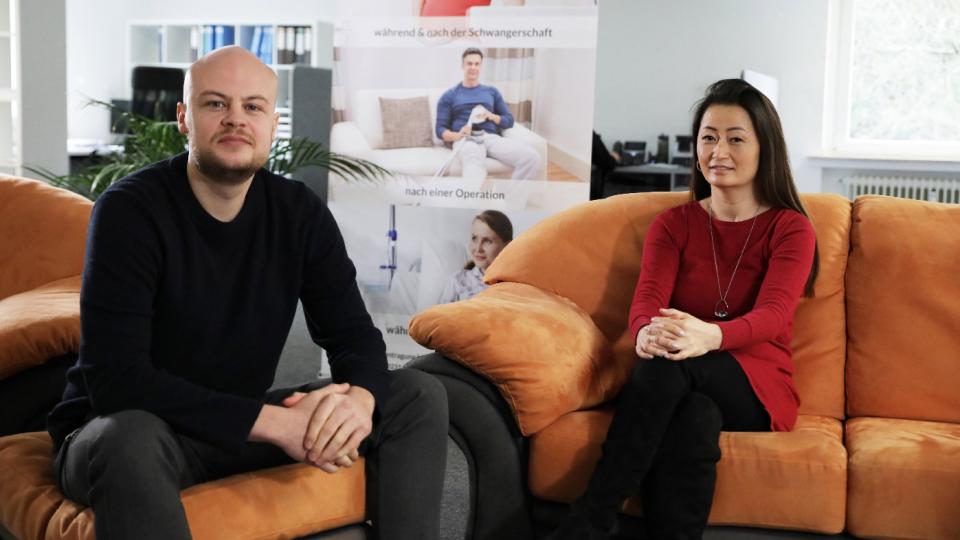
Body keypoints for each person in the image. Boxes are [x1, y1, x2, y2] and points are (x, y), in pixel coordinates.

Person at [46, 46, 448, 540]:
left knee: (415, 394)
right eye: (216, 104)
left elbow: (355, 339)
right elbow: (118, 382)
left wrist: (358, 401)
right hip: (122, 434)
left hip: (232, 425)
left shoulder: (297, 213)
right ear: (183, 118)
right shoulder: (129, 211)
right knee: (129, 436)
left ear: (272, 123)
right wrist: (278, 425)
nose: (236, 119)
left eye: (253, 106)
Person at [548, 79, 820, 539]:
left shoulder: (790, 228)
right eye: (709, 136)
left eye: (736, 138)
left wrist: (709, 336)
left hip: (755, 382)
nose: (719, 150)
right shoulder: (674, 224)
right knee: (694, 416)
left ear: (764, 147)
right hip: (683, 374)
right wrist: (643, 334)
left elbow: (774, 315)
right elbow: (646, 304)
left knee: (666, 368)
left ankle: (590, 520)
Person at [436, 48, 541, 181]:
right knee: (474, 166)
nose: (473, 67)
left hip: (490, 138)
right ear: (462, 66)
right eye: (469, 64)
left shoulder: (491, 92)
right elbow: (440, 130)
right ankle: (475, 198)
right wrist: (458, 135)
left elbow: (509, 120)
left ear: (481, 66)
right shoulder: (450, 95)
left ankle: (512, 202)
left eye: (477, 64)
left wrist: (491, 116)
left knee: (532, 157)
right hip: (466, 140)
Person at [439, 210, 513, 303]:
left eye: (487, 241)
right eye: (474, 238)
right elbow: (439, 316)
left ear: (507, 246)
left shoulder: (515, 284)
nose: (478, 249)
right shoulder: (457, 282)